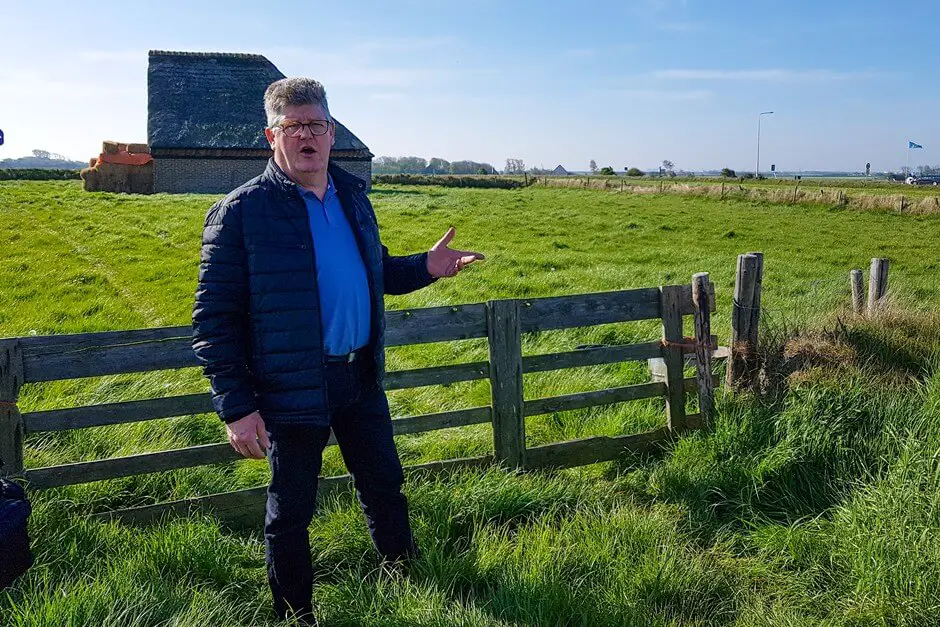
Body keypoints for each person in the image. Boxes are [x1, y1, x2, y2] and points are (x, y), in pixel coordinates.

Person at [192, 77, 483, 624]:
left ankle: (406, 580)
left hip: (359, 377)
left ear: (332, 131)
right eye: (294, 126)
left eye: (317, 125)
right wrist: (236, 406)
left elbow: (374, 270)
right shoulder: (240, 214)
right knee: (292, 511)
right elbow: (214, 318)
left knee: (384, 484)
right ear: (271, 135)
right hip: (290, 387)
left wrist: (424, 267)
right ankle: (295, 613)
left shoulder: (352, 195)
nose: (308, 136)